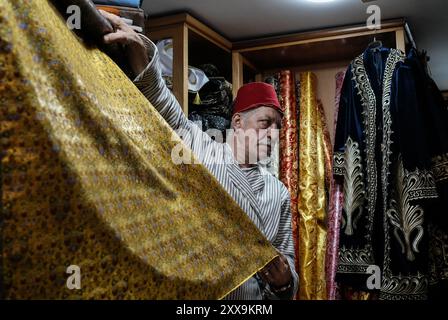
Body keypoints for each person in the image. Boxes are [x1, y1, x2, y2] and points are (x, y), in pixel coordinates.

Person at [99, 10, 299, 300]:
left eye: (277, 127)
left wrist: (284, 280)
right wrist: (142, 53)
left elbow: (288, 265)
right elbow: (167, 109)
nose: (273, 133)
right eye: (265, 123)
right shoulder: (200, 148)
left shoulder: (277, 192)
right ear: (238, 122)